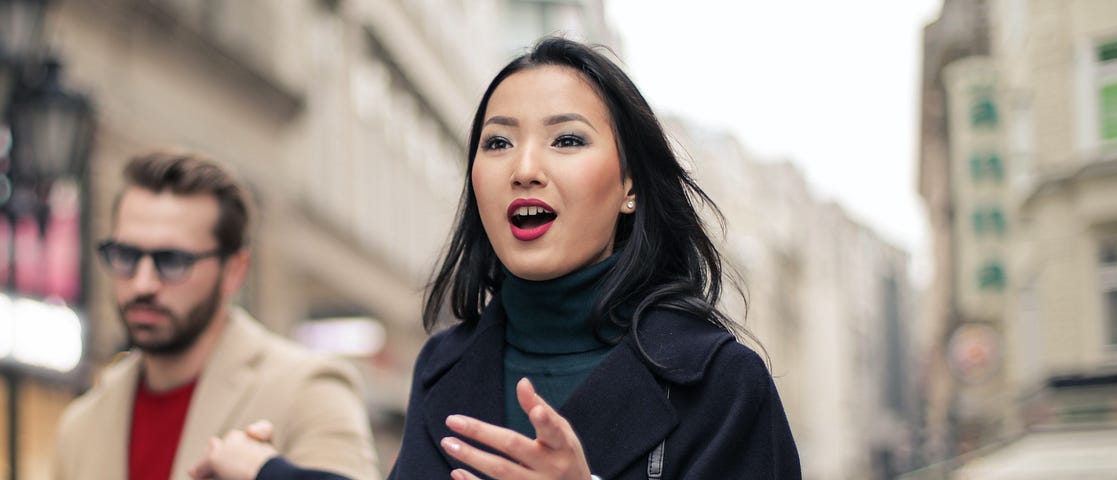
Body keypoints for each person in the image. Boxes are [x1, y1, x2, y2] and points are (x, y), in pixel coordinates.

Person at [199, 36, 801, 479]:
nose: (525, 168)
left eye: (566, 139)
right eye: (498, 142)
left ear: (631, 187)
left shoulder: (720, 382)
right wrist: (263, 471)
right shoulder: (445, 365)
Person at [53, 150, 380, 480]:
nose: (143, 283)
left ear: (234, 271)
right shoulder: (83, 422)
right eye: (126, 255)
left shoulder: (310, 389)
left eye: (172, 261)